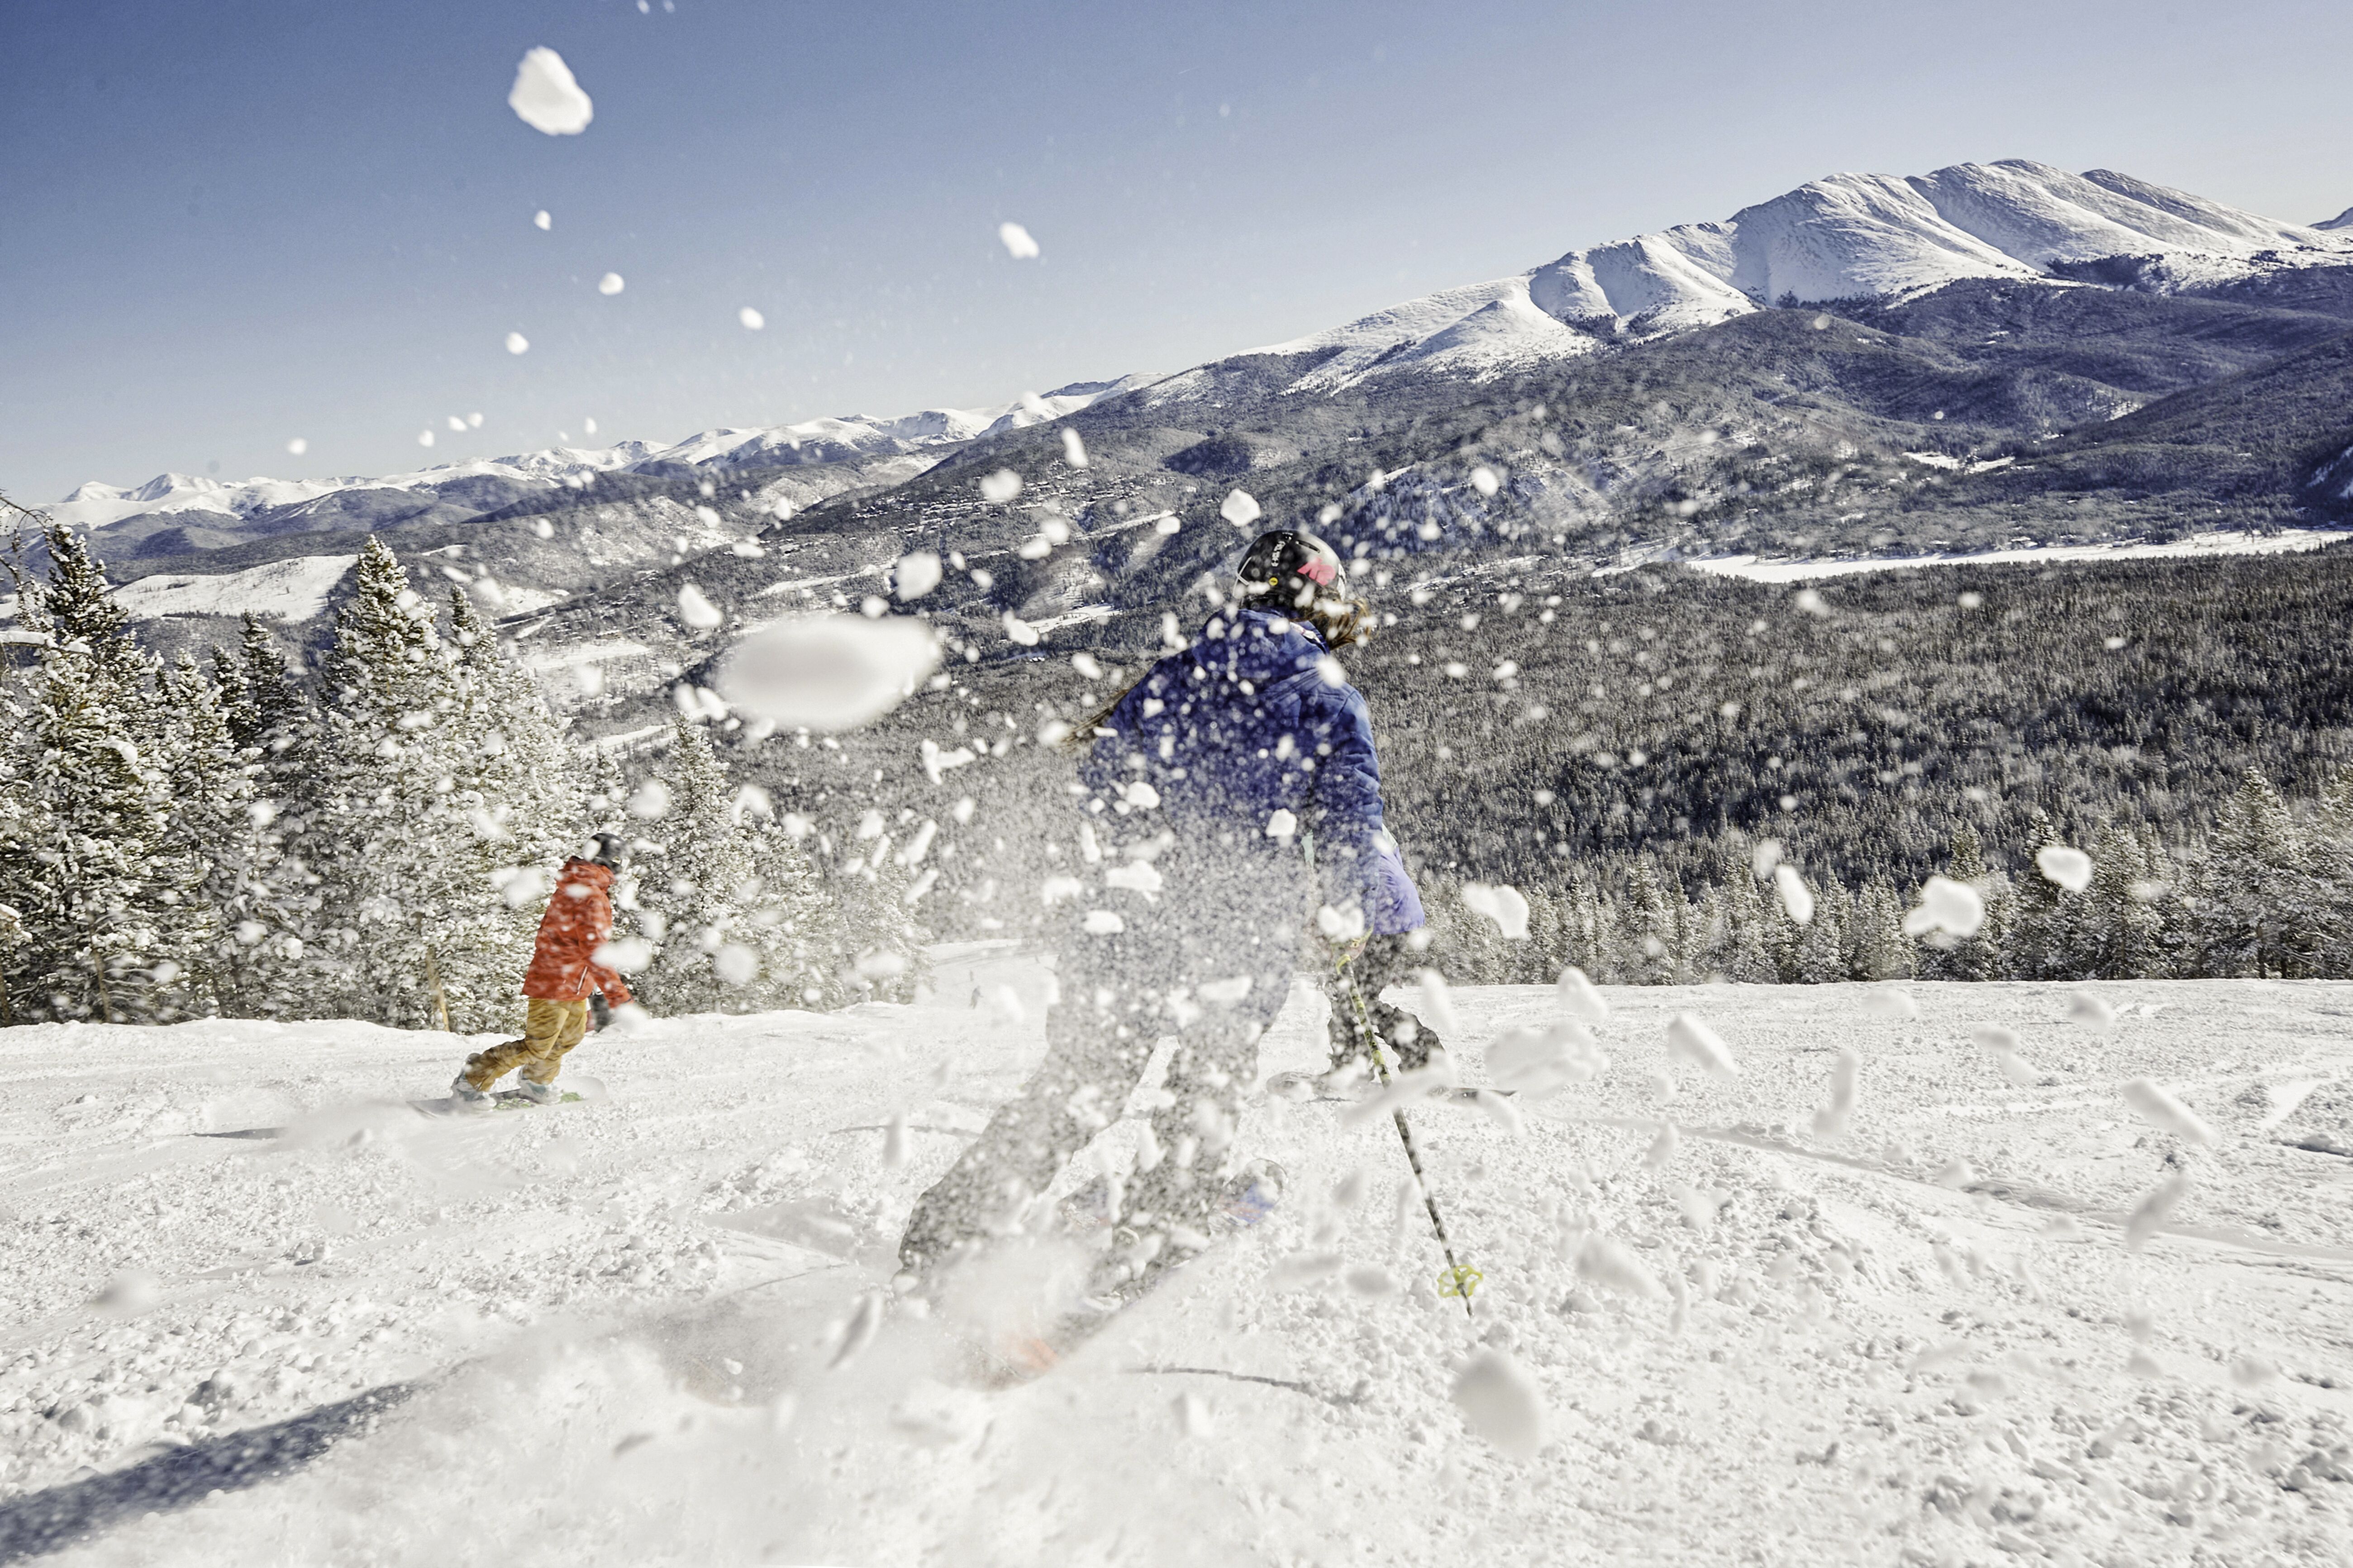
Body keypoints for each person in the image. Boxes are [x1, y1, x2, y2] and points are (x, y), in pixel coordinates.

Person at [896, 528, 1425, 1300]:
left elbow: (1106, 789)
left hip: (1128, 914)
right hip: (1238, 928)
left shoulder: (1175, 673)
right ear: (1325, 599)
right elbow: (1354, 825)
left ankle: (946, 1232)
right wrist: (1380, 920)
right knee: (1206, 1079)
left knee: (1084, 1081)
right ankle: (1159, 1226)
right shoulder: (1326, 694)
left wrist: (1152, 864)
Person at [450, 834, 634, 1109]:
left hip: (571, 982)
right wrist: (619, 997)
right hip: (556, 982)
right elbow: (595, 951)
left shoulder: (583, 887)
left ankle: (536, 1080)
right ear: (614, 862)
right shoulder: (590, 894)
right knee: (538, 1045)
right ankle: (472, 1079)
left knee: (568, 1037)